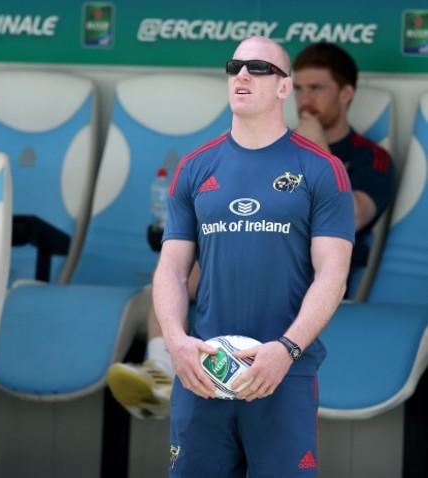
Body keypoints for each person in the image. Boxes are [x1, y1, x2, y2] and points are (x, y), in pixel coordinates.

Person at [106, 40, 394, 421]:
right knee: (170, 274)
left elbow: (357, 215)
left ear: (345, 94)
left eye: (317, 88)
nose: (305, 99)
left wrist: (315, 139)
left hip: (305, 272)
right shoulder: (245, 153)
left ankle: (165, 368)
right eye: (301, 87)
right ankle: (162, 369)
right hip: (237, 267)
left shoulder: (362, 157)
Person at [154, 35, 354, 477]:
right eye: (235, 67)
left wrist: (286, 349)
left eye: (260, 68)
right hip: (203, 369)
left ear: (285, 87)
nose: (242, 74)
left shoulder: (321, 168)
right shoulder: (195, 167)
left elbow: (333, 275)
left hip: (283, 372)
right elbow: (170, 267)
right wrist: (175, 342)